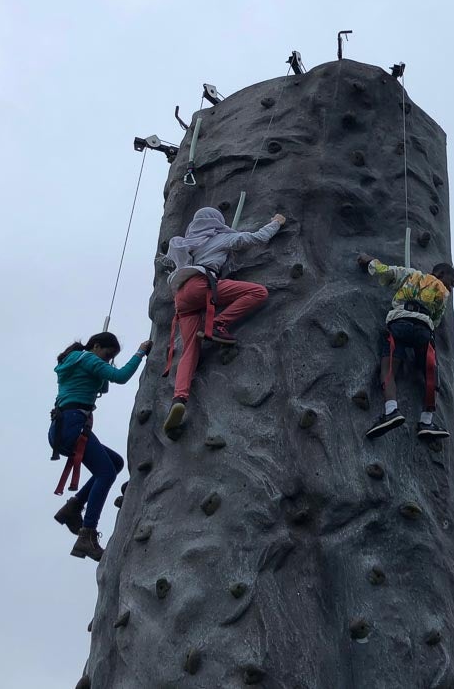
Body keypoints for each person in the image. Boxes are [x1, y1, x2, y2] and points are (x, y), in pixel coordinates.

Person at [161, 206, 287, 434]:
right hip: (203, 285)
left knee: (190, 350)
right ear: (217, 222)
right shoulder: (222, 238)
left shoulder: (189, 243)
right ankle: (219, 323)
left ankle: (179, 399)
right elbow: (258, 238)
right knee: (258, 292)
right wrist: (276, 222)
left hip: (182, 298)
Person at [49, 331, 152, 562]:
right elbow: (121, 376)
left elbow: (102, 388)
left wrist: (101, 367)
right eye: (107, 355)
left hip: (62, 426)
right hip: (73, 424)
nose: (106, 361)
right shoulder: (87, 358)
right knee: (105, 473)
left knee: (114, 463)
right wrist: (140, 352)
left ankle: (74, 506)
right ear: (96, 346)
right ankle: (87, 534)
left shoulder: (76, 360)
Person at [357, 254, 454, 441]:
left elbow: (386, 272)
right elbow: (436, 320)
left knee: (388, 368)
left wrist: (369, 261)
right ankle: (426, 421)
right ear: (440, 273)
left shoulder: (412, 275)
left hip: (400, 323)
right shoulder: (442, 295)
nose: (450, 289)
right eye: (451, 283)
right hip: (423, 331)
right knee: (430, 373)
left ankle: (391, 410)